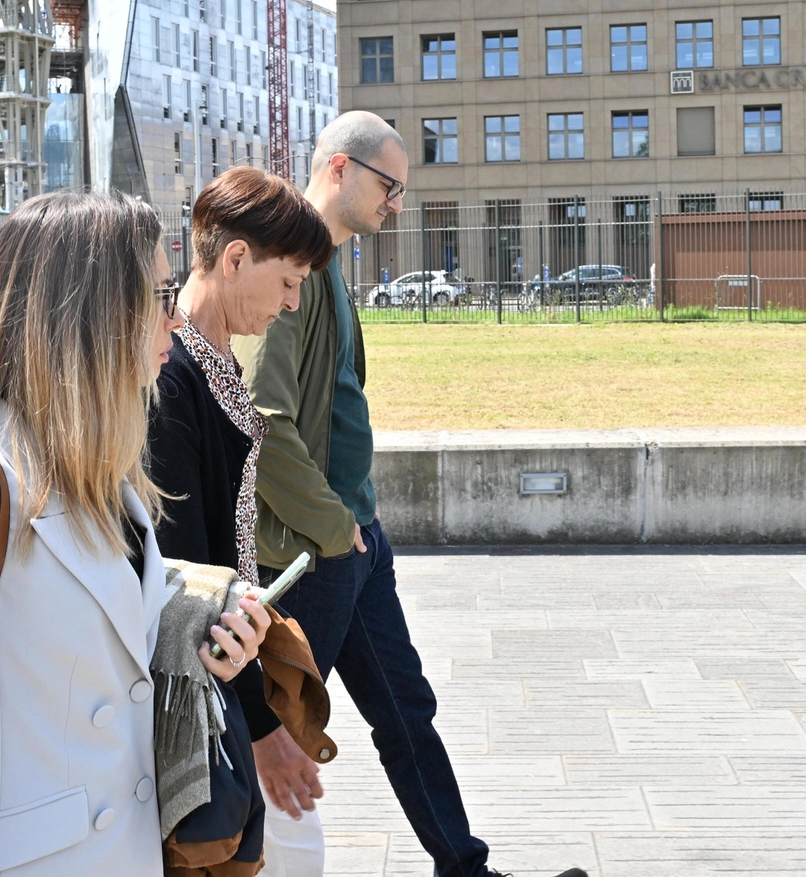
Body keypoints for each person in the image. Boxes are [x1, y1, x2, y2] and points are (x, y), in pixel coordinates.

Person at [0, 191, 271, 877]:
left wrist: (201, 632)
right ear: (90, 313)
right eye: (158, 294)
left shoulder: (108, 475)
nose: (174, 317)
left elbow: (98, 636)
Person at [234, 112, 589, 877]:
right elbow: (266, 421)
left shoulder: (327, 263)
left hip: (354, 539)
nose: (397, 202)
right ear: (338, 169)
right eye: (389, 185)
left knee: (406, 713)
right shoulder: (291, 269)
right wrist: (335, 526)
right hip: (314, 550)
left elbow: (337, 406)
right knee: (276, 728)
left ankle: (464, 869)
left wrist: (361, 509)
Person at [147, 166, 334, 876]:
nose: (291, 304)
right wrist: (259, 728)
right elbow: (188, 579)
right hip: (205, 682)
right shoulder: (174, 375)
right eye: (287, 282)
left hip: (228, 666)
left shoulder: (211, 360)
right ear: (233, 259)